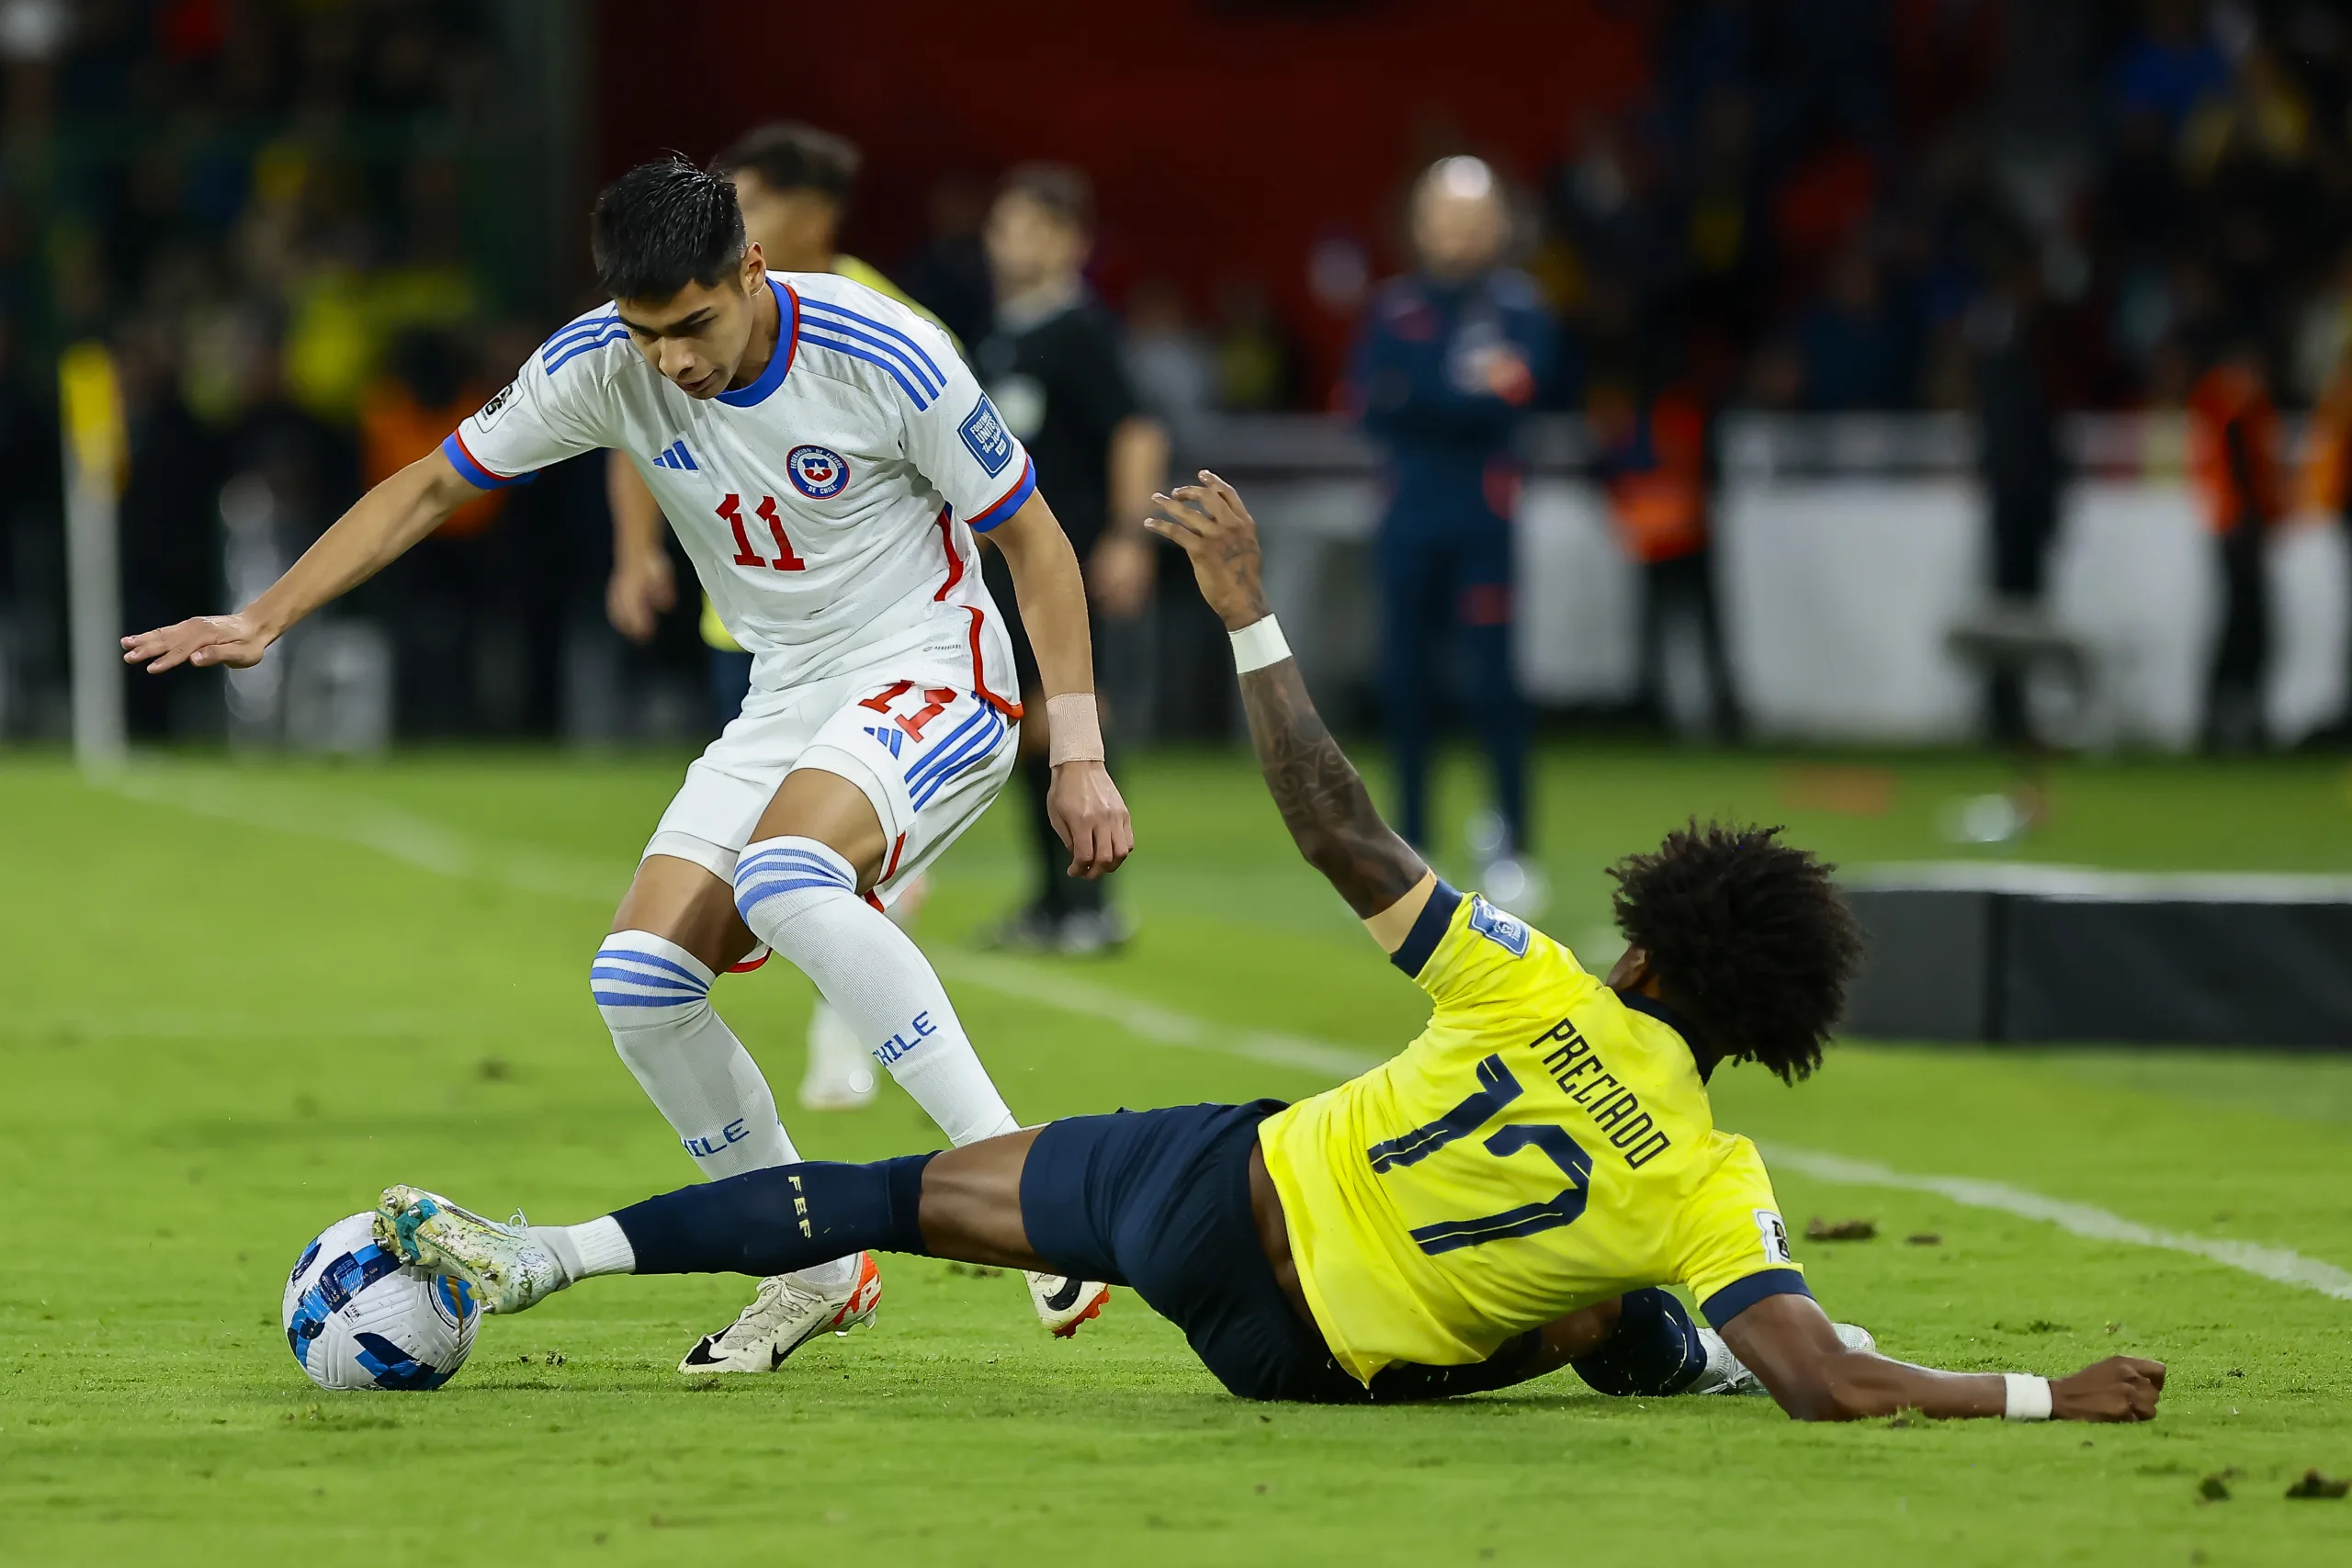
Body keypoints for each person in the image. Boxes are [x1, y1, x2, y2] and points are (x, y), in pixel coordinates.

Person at [370, 473, 2165, 1427]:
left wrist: (1251, 620)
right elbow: (1830, 1380)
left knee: (884, 1193)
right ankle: (1661, 1353)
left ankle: (540, 1253)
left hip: (1203, 1192)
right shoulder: (1708, 1176)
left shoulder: (1529, 977)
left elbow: (1336, 826)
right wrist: (2035, 1393)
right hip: (1305, 1365)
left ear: (1640, 943)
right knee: (1603, 1292)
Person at [123, 158, 1132, 1372]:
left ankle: (1013, 1178)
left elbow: (1033, 537)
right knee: (639, 984)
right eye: (650, 333)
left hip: (935, 660)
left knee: (787, 875)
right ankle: (809, 1259)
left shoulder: (884, 348)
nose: (675, 361)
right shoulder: (601, 358)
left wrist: (1076, 749)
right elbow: (438, 481)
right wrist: (265, 616)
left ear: (751, 270)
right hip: (786, 690)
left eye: (695, 325)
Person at [602, 124, 958, 1115]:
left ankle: (851, 1036)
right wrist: (635, 552)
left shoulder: (893, 324)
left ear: (809, 216)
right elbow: (629, 427)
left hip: (883, 653)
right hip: (752, 646)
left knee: (813, 867)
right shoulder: (687, 324)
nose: (736, 214)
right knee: (759, 878)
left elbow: (967, 498)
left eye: (753, 198)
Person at [1351, 156, 1556, 908]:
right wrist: (1462, 394)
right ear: (1421, 224)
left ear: (1497, 224)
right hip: (1409, 517)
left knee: (1494, 681)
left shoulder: (1519, 306)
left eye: (1474, 217)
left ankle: (1514, 841)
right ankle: (1409, 842)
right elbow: (1372, 404)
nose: (1459, 232)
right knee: (1406, 681)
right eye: (1445, 215)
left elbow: (1521, 393)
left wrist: (1428, 395)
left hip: (1484, 521)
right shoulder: (1393, 308)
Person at [974, 164, 1168, 953]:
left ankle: (1088, 903)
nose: (1014, 242)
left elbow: (1136, 429)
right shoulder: (1004, 335)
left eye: (1034, 227)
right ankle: (1054, 904)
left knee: (1068, 721)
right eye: (1006, 225)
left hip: (1070, 561)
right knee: (1026, 726)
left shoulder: (1081, 329)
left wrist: (1128, 534)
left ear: (1071, 243)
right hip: (1007, 569)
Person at [2188, 342, 2284, 752]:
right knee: (2246, 627)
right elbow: (2241, 471)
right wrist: (2251, 522)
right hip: (2239, 530)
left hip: (2234, 528)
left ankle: (2230, 719)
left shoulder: (2223, 403)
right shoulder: (2234, 405)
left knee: (2245, 626)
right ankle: (2233, 720)